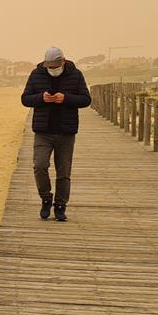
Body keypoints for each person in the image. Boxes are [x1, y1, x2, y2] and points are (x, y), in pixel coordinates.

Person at [20, 46, 92, 221]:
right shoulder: (36, 74)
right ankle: (46, 198)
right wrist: (40, 98)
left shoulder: (76, 75)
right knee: (40, 166)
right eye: (49, 67)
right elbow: (25, 99)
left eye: (55, 66)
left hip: (66, 132)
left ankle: (60, 206)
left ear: (63, 61)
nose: (52, 69)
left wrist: (65, 98)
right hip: (43, 131)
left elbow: (86, 99)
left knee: (64, 172)